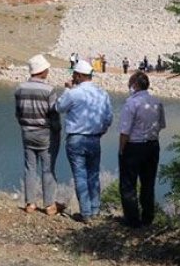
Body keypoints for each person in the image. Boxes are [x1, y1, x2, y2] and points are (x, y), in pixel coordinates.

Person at [55, 60, 113, 223]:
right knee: (93, 174)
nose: (73, 77)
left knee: (80, 175)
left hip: (76, 139)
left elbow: (59, 107)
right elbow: (109, 118)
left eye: (74, 75)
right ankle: (95, 210)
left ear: (79, 76)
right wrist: (101, 131)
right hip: (94, 139)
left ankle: (86, 213)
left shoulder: (74, 93)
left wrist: (67, 88)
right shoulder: (102, 93)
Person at [118, 72, 165, 228]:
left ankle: (132, 220)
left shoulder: (131, 103)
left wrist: (121, 150)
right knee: (148, 183)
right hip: (152, 146)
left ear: (135, 85)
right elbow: (161, 125)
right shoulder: (157, 102)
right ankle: (148, 217)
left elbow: (125, 131)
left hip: (134, 146)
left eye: (130, 83)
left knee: (128, 184)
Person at [14, 54, 60, 215]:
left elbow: (18, 113)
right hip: (45, 134)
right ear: (42, 71)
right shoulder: (49, 90)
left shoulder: (20, 88)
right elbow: (54, 115)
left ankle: (30, 204)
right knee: (47, 169)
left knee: (30, 168)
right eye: (46, 69)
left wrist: (25, 125)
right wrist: (57, 130)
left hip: (27, 132)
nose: (48, 71)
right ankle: (49, 205)